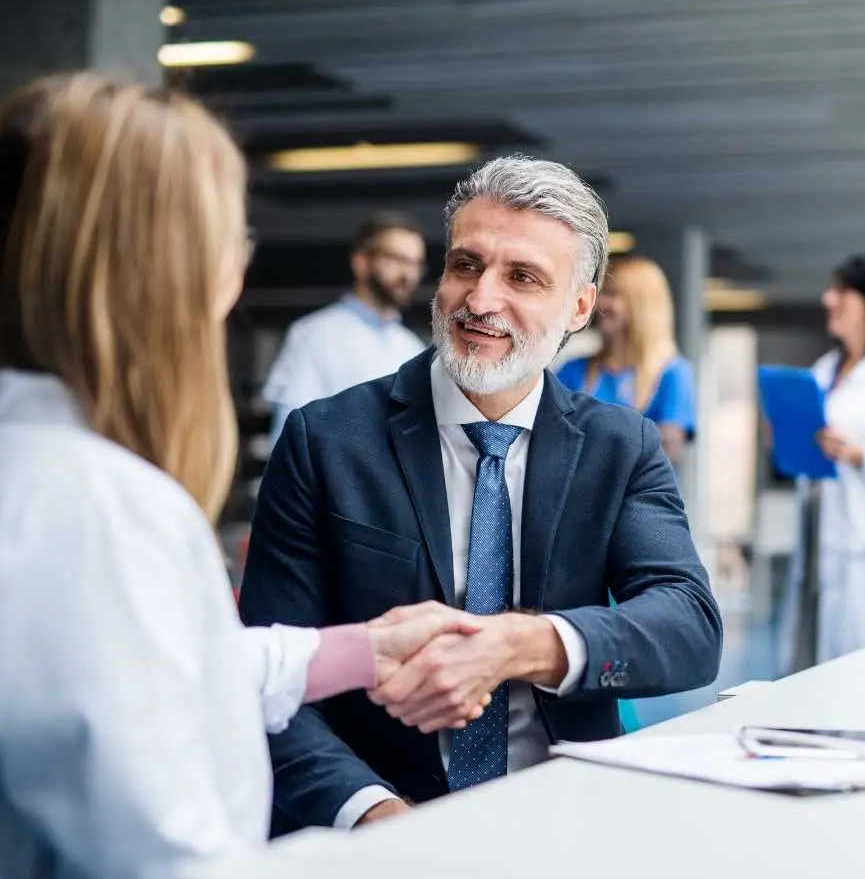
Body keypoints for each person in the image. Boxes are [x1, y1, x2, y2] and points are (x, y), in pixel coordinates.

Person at [0, 73, 484, 879]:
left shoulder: (51, 476)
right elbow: (174, 856)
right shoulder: (98, 509)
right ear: (168, 271)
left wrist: (357, 651)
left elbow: (135, 675)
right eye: (230, 240)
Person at [239, 155, 724, 833]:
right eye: (466, 265)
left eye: (522, 277)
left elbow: (689, 629)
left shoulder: (620, 447)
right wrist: (373, 814)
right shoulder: (326, 441)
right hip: (377, 820)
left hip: (566, 818)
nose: (480, 299)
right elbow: (268, 674)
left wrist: (523, 645)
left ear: (579, 307)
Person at [781, 255, 865, 671]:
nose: (828, 299)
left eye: (842, 292)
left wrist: (858, 454)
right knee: (817, 668)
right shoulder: (826, 368)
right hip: (822, 542)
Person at [262, 212, 428, 445]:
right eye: (397, 259)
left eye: (415, 264)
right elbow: (288, 437)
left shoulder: (411, 347)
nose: (407, 274)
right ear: (361, 263)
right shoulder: (313, 335)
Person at [556, 255, 695, 466]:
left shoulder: (672, 373)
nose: (600, 302)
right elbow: (551, 436)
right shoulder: (573, 370)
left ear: (641, 305)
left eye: (612, 294)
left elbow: (665, 453)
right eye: (601, 292)